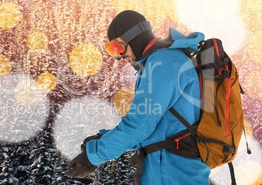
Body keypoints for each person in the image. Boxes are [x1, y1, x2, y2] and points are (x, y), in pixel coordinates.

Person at [65, 10, 211, 184]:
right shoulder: (161, 63)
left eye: (118, 48)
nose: (120, 57)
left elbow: (140, 125)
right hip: (170, 169)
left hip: (173, 172)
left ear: (133, 37)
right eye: (113, 51)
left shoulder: (164, 63)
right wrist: (103, 139)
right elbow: (157, 130)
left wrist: (92, 157)